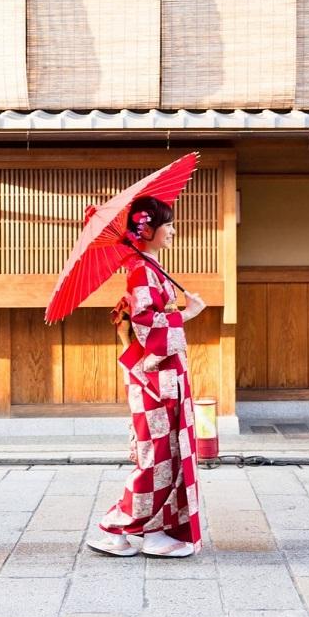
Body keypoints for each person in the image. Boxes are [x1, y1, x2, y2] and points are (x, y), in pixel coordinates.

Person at [86, 195, 207, 558]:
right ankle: (117, 527)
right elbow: (144, 325)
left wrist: (180, 311)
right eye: (167, 224)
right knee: (154, 457)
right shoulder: (140, 271)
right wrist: (187, 314)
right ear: (148, 229)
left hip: (164, 375)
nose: (172, 230)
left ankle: (155, 532)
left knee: (168, 456)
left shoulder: (149, 268)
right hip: (153, 380)